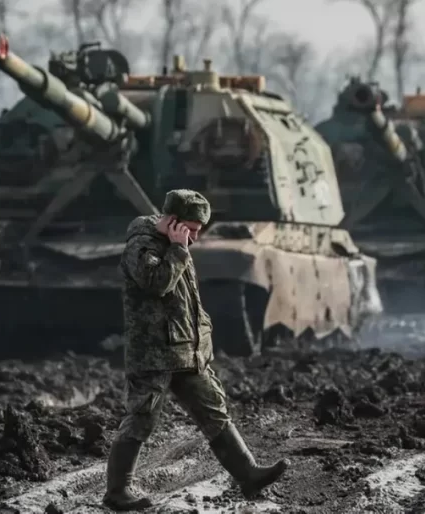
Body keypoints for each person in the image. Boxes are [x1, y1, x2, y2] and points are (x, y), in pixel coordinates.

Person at [103, 189, 289, 511]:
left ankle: (247, 474)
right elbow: (156, 283)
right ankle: (117, 492)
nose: (195, 237)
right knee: (142, 417)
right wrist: (177, 249)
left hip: (185, 351)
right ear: (173, 222)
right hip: (154, 354)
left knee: (212, 409)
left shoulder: (177, 244)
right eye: (191, 228)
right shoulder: (142, 245)